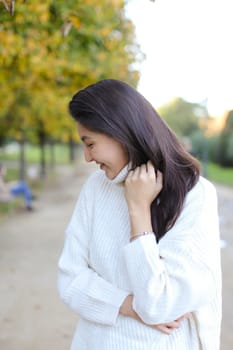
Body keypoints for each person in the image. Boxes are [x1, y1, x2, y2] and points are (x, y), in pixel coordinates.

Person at [57, 79, 222, 350]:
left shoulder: (195, 194)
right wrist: (126, 304)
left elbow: (160, 305)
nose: (87, 157)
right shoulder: (96, 188)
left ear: (119, 132)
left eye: (90, 143)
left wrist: (138, 209)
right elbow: (70, 279)